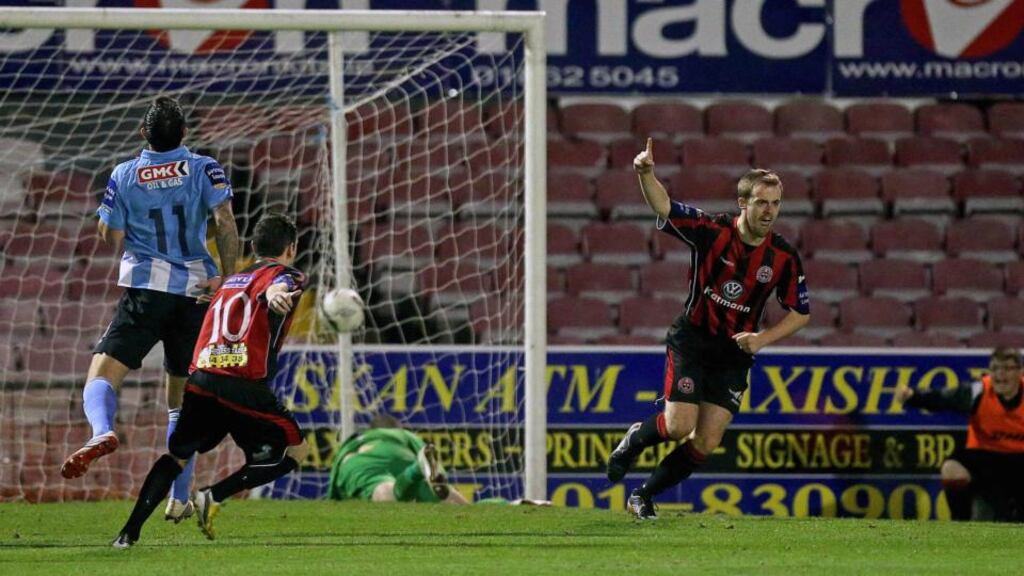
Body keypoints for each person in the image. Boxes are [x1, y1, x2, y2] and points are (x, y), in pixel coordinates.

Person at [605, 139, 810, 520]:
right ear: (743, 203)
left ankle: (644, 496)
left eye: (776, 203)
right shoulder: (712, 230)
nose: (770, 211)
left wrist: (762, 340)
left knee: (707, 440)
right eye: (762, 202)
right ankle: (635, 439)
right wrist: (646, 173)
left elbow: (801, 312)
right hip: (694, 340)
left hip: (734, 353)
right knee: (680, 425)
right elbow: (665, 207)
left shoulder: (783, 256)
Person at [61, 96, 240, 524]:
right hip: (196, 292)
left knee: (102, 374)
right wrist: (227, 278)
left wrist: (110, 218)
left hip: (145, 290)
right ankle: (179, 498)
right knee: (180, 398)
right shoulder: (204, 167)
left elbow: (112, 236)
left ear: (143, 133)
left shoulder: (124, 174)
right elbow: (227, 222)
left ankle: (102, 430)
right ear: (183, 134)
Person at [111, 213, 309, 548]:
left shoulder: (228, 281)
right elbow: (280, 286)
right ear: (291, 248)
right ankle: (213, 495)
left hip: (203, 376)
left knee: (177, 457)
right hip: (243, 381)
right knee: (295, 452)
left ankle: (127, 534)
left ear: (252, 246)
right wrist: (277, 294)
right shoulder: (286, 274)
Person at [896, 346, 1024, 522]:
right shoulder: (979, 392)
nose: (1000, 374)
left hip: (1020, 461)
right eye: (995, 368)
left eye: (1007, 368)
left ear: (1020, 372)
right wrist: (913, 396)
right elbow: (942, 398)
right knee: (952, 469)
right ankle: (960, 525)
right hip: (985, 458)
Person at [327, 414, 469, 505]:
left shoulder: (352, 444)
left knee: (383, 489)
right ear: (396, 428)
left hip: (354, 463)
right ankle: (415, 470)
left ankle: (414, 471)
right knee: (442, 500)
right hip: (399, 454)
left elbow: (332, 498)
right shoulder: (402, 434)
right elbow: (439, 480)